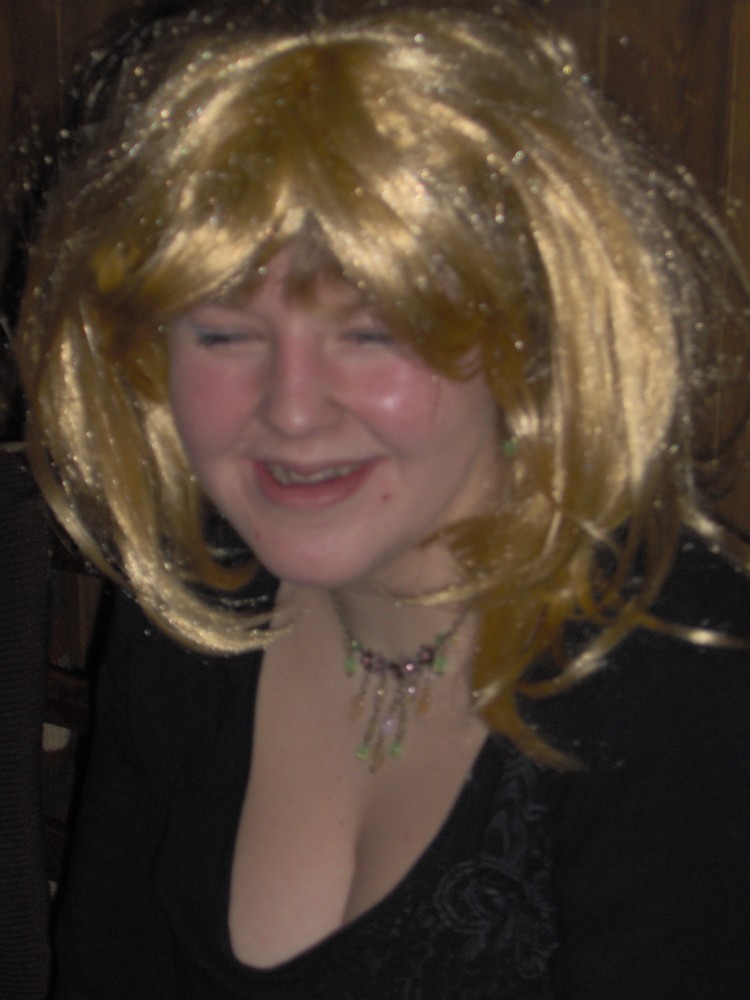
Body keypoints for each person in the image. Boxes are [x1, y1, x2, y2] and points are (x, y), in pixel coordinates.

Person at [14, 1, 750, 996]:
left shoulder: (684, 675)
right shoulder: (196, 596)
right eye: (224, 331)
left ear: (524, 336)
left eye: (374, 330)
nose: (292, 410)